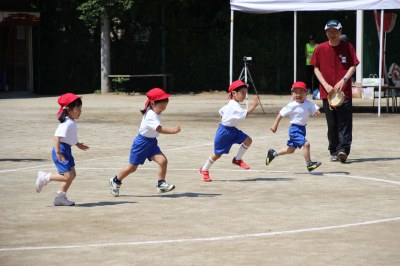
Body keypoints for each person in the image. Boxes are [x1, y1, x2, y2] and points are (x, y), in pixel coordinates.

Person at [109, 88, 180, 196]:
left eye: (165, 106)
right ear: (152, 103)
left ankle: (161, 184)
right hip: (141, 143)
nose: (163, 109)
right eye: (161, 106)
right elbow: (159, 129)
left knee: (163, 161)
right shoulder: (151, 115)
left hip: (151, 143)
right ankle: (115, 180)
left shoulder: (153, 110)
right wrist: (173, 131)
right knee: (132, 167)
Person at [310, 19, 359, 163]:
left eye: (335, 31)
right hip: (327, 93)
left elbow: (353, 65)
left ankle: (343, 150)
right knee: (332, 124)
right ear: (326, 33)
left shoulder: (347, 46)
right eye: (329, 31)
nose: (332, 34)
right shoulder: (320, 48)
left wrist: (343, 80)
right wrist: (325, 85)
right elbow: (315, 68)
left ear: (340, 32)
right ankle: (333, 150)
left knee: (345, 122)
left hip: (345, 93)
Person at [199, 80, 260, 182]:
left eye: (245, 93)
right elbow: (244, 115)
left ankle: (237, 159)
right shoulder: (233, 105)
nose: (244, 95)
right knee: (217, 155)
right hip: (224, 132)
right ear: (234, 93)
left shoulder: (232, 103)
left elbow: (221, 111)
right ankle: (204, 170)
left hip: (233, 130)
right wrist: (253, 106)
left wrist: (222, 119)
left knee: (248, 140)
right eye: (242, 93)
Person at [35, 93, 89, 206]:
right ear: (69, 110)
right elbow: (57, 137)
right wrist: (58, 152)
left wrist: (78, 144)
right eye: (78, 108)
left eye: (80, 108)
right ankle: (44, 177)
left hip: (67, 149)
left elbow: (69, 138)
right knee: (68, 176)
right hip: (61, 150)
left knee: (72, 175)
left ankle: (60, 197)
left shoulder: (71, 122)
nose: (80, 111)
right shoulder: (66, 123)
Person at [266, 81, 321, 172]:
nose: (298, 94)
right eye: (295, 92)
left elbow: (315, 110)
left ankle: (273, 154)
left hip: (302, 129)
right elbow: (280, 114)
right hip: (294, 130)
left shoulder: (308, 103)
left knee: (290, 150)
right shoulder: (291, 105)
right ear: (292, 94)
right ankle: (309, 164)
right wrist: (275, 125)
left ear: (306, 93)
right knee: (306, 144)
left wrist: (317, 113)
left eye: (301, 92)